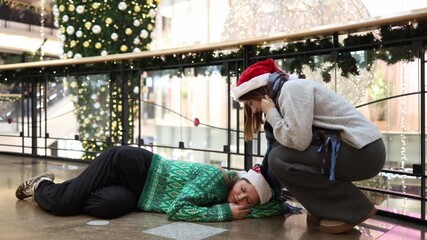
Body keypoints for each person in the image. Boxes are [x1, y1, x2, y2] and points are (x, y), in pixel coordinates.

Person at [233, 58, 386, 234]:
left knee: (279, 157)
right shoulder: (286, 91)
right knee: (279, 154)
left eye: (251, 103)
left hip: (364, 152)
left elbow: (298, 140)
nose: (253, 110)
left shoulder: (291, 90)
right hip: (354, 149)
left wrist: (271, 113)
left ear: (257, 91)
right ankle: (324, 209)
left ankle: (352, 209)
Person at [15, 145, 288, 221]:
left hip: (139, 195)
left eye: (248, 201)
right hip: (128, 165)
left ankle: (75, 189)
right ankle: (41, 185)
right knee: (64, 205)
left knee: (105, 205)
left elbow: (272, 207)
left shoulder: (244, 198)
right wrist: (223, 213)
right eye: (242, 190)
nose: (240, 200)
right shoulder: (215, 178)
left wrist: (267, 205)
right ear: (239, 179)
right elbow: (178, 210)